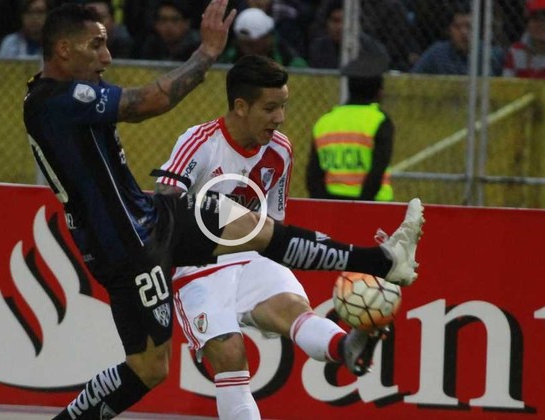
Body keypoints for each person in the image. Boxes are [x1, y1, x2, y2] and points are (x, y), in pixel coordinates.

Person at [23, 2, 423, 418]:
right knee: (151, 369)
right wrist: (207, 53)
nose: (107, 57)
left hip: (155, 218)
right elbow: (148, 102)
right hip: (128, 250)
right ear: (64, 49)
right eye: (96, 45)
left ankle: (383, 261)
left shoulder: (278, 149)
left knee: (259, 231)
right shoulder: (54, 101)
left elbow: (271, 220)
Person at [155, 54, 390, 420]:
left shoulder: (280, 149)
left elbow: (273, 227)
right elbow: (163, 204)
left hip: (249, 256)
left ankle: (344, 346)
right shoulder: (200, 142)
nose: (280, 117)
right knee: (231, 354)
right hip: (196, 266)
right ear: (241, 106)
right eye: (270, 108)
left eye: (283, 106)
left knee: (293, 310)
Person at [306, 54, 394, 201]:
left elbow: (313, 176)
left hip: (332, 206)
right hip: (374, 205)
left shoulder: (325, 122)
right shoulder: (380, 121)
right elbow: (377, 172)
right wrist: (359, 205)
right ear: (379, 92)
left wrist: (326, 205)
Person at [411, 4, 504, 76]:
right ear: (449, 30)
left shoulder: (492, 55)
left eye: (469, 26)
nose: (464, 32)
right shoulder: (437, 53)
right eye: (457, 27)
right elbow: (413, 77)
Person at [308, 0, 389, 70]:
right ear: (327, 23)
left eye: (345, 21)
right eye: (335, 21)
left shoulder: (370, 48)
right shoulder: (318, 48)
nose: (340, 27)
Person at [219, 7, 308, 67]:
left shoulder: (291, 62)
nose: (246, 50)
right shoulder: (228, 59)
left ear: (268, 38)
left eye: (251, 45)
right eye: (242, 44)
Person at [503, 0, 545, 79]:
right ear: (527, 24)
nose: (541, 24)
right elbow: (507, 82)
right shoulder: (516, 51)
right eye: (535, 18)